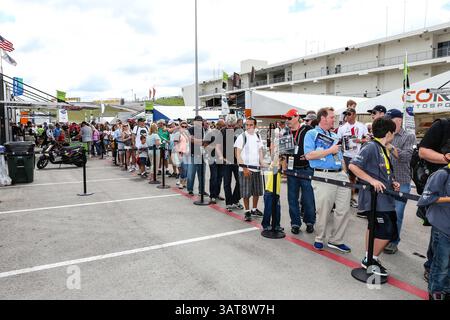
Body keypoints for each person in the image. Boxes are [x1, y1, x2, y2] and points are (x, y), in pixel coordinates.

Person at [349, 117, 400, 277]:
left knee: (375, 228)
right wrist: (372, 180)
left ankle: (370, 257)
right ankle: (370, 258)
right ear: (389, 133)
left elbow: (382, 170)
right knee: (388, 232)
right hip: (376, 199)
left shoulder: (383, 147)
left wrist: (392, 182)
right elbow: (353, 166)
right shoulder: (371, 147)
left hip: (385, 197)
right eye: (393, 131)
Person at [304, 107, 352, 253]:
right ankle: (319, 238)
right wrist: (329, 151)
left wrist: (345, 171)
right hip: (323, 175)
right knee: (324, 210)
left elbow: (339, 155)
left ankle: (336, 240)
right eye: (332, 117)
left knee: (343, 210)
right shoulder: (311, 134)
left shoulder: (335, 135)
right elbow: (309, 155)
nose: (334, 119)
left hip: (340, 174)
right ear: (323, 118)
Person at [418, 117, 450, 282]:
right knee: (440, 232)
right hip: (440, 190)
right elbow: (422, 151)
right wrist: (446, 159)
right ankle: (432, 269)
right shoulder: (443, 125)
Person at [382, 109, 416, 255]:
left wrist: (388, 145)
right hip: (385, 179)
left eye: (391, 119)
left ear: (399, 120)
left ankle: (393, 241)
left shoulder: (408, 137)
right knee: (384, 211)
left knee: (398, 213)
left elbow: (405, 157)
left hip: (402, 181)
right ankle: (383, 238)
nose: (388, 122)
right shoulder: (384, 134)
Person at [417, 163, 450, 300]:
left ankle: (446, 290)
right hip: (442, 227)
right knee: (441, 263)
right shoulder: (442, 174)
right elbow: (426, 198)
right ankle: (436, 292)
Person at [282, 109, 316, 234]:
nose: (287, 121)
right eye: (286, 118)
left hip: (306, 169)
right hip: (291, 170)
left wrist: (309, 156)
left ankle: (310, 222)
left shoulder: (307, 130)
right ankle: (295, 223)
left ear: (297, 117)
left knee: (308, 198)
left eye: (289, 118)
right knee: (292, 198)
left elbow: (315, 146)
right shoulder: (286, 132)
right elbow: (284, 153)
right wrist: (284, 167)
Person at [234, 116, 265, 222]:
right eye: (247, 124)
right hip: (245, 169)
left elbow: (260, 150)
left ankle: (254, 209)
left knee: (257, 191)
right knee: (246, 192)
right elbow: (237, 154)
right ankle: (247, 211)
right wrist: (244, 168)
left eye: (251, 124)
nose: (248, 127)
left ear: (255, 125)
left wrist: (262, 162)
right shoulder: (242, 137)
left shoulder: (258, 136)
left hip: (256, 168)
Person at [337, 107, 369, 209]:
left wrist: (360, 141)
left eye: (349, 114)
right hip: (346, 155)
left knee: (360, 178)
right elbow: (337, 142)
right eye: (346, 114)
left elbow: (368, 138)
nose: (347, 116)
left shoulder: (361, 126)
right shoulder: (342, 128)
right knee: (349, 178)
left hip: (359, 155)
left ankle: (360, 201)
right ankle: (350, 198)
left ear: (355, 115)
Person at [217, 114, 244, 212]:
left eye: (233, 126)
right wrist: (221, 156)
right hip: (226, 161)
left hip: (237, 161)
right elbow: (218, 146)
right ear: (226, 124)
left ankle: (235, 200)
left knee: (241, 182)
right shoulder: (222, 132)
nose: (231, 128)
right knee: (227, 183)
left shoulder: (240, 132)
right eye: (229, 126)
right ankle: (229, 202)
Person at [204, 119, 225, 204]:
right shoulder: (210, 133)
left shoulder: (224, 133)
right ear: (218, 125)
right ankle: (212, 196)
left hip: (221, 159)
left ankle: (217, 194)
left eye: (224, 126)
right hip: (212, 158)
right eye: (222, 126)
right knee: (214, 177)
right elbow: (205, 146)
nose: (223, 128)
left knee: (219, 178)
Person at [187, 116, 207, 196]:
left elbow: (207, 142)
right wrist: (202, 141)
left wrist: (197, 141)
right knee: (191, 174)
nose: (199, 122)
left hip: (202, 155)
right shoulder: (191, 129)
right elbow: (191, 140)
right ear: (194, 122)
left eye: (200, 121)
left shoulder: (204, 130)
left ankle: (201, 190)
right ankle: (190, 189)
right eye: (197, 121)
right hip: (193, 155)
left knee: (202, 175)